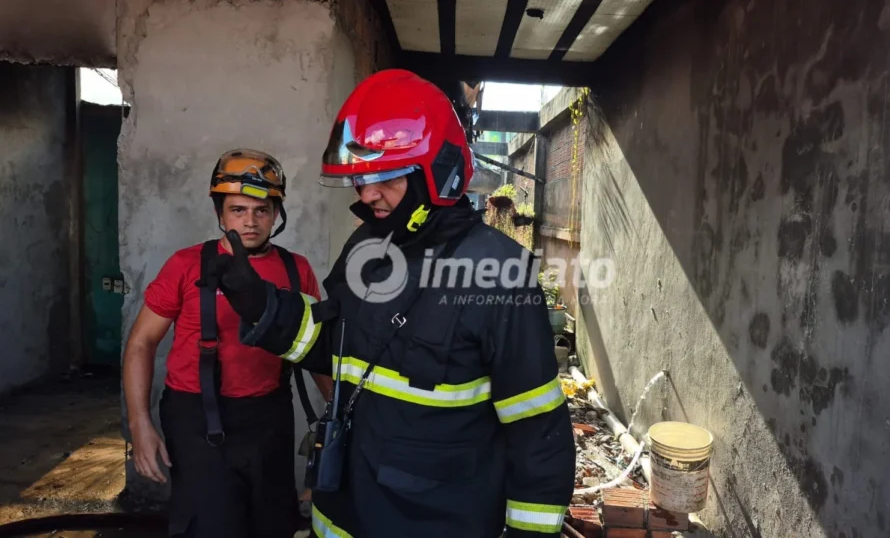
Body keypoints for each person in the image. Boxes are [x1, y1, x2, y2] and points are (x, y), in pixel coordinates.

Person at [207, 70, 576, 538]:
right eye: (360, 179)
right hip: (342, 513)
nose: (366, 194)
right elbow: (332, 345)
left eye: (383, 177)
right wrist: (262, 305)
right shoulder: (367, 245)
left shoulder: (499, 272)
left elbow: (536, 426)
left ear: (436, 173)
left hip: (433, 522)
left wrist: (529, 533)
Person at [121, 148, 331, 538]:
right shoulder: (186, 265)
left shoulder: (295, 269)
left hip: (269, 416)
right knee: (212, 526)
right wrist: (139, 423)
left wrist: (343, 427)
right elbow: (141, 343)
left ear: (276, 214)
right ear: (220, 212)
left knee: (272, 524)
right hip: (196, 417)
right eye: (238, 210)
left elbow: (316, 352)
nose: (250, 222)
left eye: (261, 210)